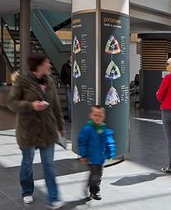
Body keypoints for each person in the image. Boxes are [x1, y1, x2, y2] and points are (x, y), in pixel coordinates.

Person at [7, 53, 65, 209]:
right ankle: (27, 191)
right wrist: (31, 105)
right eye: (47, 63)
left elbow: (56, 106)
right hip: (28, 129)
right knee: (27, 162)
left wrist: (60, 126)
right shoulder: (22, 82)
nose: (50, 65)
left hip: (47, 129)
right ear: (38, 65)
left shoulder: (50, 81)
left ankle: (53, 197)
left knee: (49, 164)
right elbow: (11, 103)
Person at [77, 105, 116, 201]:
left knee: (98, 175)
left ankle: (93, 187)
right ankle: (94, 191)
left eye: (100, 116)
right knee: (95, 175)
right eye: (95, 115)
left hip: (101, 158)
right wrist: (83, 154)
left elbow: (109, 141)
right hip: (91, 158)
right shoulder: (88, 128)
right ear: (90, 115)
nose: (98, 117)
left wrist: (111, 152)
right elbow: (82, 142)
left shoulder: (104, 128)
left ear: (103, 117)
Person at [60, 56, 72, 122]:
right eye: (70, 57)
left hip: (76, 87)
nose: (71, 58)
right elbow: (62, 76)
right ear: (68, 59)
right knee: (69, 102)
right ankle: (71, 118)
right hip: (68, 86)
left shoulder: (76, 65)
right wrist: (65, 83)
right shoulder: (65, 66)